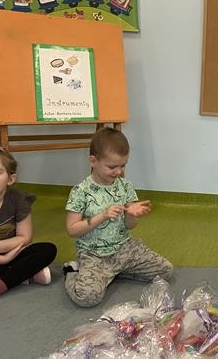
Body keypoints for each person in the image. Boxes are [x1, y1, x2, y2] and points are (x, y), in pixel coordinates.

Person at [63, 128, 173, 307]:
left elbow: (130, 226)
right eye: (112, 167)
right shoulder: (80, 191)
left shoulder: (125, 186)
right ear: (93, 161)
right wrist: (102, 216)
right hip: (94, 253)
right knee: (87, 297)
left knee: (165, 270)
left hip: (124, 249)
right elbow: (72, 229)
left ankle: (111, 272)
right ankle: (72, 271)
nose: (119, 172)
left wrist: (131, 215)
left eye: (123, 165)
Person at [0, 148, 57, 297]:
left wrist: (8, 256)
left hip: (13, 251)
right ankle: (22, 275)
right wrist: (3, 259)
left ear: (10, 179)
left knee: (48, 249)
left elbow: (24, 237)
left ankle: (3, 283)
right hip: (5, 256)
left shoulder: (19, 199)